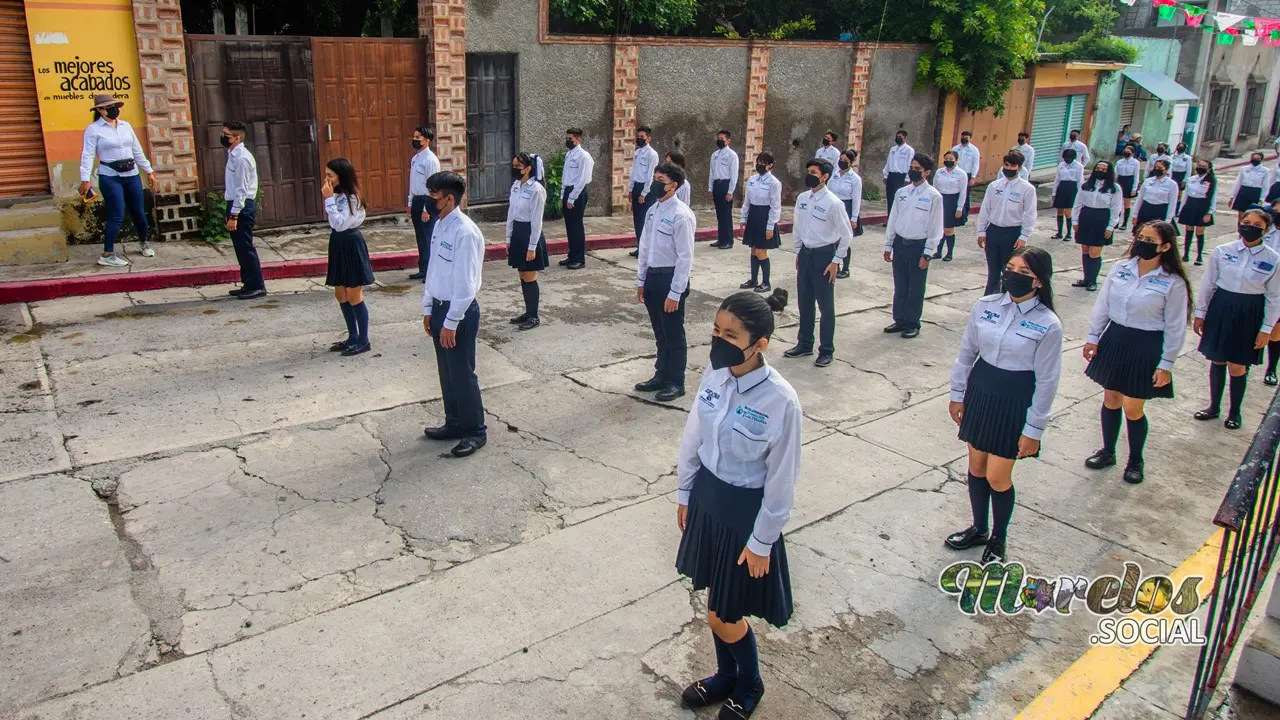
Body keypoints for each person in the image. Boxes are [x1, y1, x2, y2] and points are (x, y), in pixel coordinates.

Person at [675, 290, 795, 720]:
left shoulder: (781, 401)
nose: (718, 340)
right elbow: (695, 436)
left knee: (725, 613)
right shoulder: (716, 374)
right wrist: (685, 492)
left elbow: (782, 480)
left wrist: (763, 540)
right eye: (715, 331)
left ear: (759, 343)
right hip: (708, 499)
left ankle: (750, 683)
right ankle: (726, 676)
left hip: (745, 515)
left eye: (730, 334)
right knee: (714, 602)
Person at [946, 246, 1063, 563]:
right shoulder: (985, 306)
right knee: (976, 466)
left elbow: (1048, 380)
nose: (1013, 275)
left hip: (1015, 399)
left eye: (1024, 272)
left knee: (998, 476)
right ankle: (979, 528)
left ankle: (999, 539)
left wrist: (1034, 428)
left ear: (1039, 281)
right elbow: (967, 353)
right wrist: (957, 394)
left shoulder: (1048, 324)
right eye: (1011, 267)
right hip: (981, 391)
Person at [1082, 221, 1192, 484]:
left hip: (1146, 344)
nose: (1141, 242)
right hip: (1116, 338)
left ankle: (1135, 459)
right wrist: (1093, 337)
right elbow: (1103, 306)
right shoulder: (1121, 269)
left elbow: (1175, 326)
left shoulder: (1173, 283)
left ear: (1165, 247)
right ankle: (1108, 451)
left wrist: (1166, 363)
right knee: (1111, 398)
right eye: (1139, 237)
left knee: (1133, 406)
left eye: (1150, 240)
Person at [1193, 208, 1280, 430]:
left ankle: (1235, 411)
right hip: (1222, 307)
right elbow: (1208, 284)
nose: (1249, 227)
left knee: (1238, 365)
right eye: (1246, 222)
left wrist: (1266, 328)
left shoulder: (1273, 259)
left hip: (1250, 310)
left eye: (1257, 225)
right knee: (1217, 359)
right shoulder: (1223, 251)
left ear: (1266, 229)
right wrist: (1200, 313)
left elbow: (1274, 296)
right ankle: (1213, 407)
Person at [422, 171, 488, 457]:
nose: (429, 201)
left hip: (457, 312)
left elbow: (466, 285)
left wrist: (450, 321)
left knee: (463, 374)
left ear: (449, 199)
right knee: (446, 372)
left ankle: (475, 431)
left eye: (433, 196)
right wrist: (428, 308)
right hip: (439, 308)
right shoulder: (440, 225)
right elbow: (433, 271)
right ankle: (455, 422)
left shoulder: (465, 231)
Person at [635, 163, 697, 403]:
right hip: (652, 277)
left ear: (674, 186)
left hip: (671, 279)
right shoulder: (653, 210)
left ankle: (676, 381)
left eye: (661, 179)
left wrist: (675, 292)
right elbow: (645, 248)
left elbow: (685, 258)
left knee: (673, 333)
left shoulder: (681, 214)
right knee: (660, 332)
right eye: (655, 178)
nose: (655, 183)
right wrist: (641, 280)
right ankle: (660, 375)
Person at [784, 158, 853, 368]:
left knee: (825, 306)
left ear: (824, 176)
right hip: (806, 254)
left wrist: (835, 261)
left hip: (825, 256)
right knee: (804, 302)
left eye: (814, 172)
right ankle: (804, 343)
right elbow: (798, 226)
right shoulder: (803, 198)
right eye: (808, 171)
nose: (809, 175)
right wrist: (798, 251)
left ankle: (826, 350)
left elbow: (847, 235)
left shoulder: (833, 203)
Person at [79, 94, 156, 267]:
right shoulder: (93, 130)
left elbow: (136, 149)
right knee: (117, 214)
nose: (114, 110)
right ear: (100, 110)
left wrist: (149, 170)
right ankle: (107, 254)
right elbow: (88, 154)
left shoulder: (125, 126)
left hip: (132, 175)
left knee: (138, 212)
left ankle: (144, 242)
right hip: (110, 176)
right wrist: (85, 179)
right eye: (109, 107)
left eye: (114, 106)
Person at [884, 153, 944, 339]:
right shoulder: (901, 193)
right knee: (900, 286)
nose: (913, 171)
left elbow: (936, 227)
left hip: (919, 247)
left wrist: (928, 254)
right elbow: (893, 219)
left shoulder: (934, 196)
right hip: (900, 244)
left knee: (915, 288)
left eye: (917, 169)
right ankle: (899, 319)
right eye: (911, 168)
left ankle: (912, 323)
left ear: (926, 172)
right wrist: (889, 245)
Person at [322, 158, 375, 356]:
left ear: (341, 177)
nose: (327, 179)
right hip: (338, 243)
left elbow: (340, 223)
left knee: (354, 295)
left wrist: (328, 200)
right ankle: (352, 336)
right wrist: (330, 199)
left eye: (330, 175)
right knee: (340, 293)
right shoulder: (337, 195)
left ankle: (363, 340)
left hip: (351, 243)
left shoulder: (353, 199)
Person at [976, 150, 1038, 295]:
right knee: (993, 272)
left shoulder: (1027, 189)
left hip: (1012, 233)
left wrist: (1024, 237)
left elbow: (1030, 214)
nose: (1009, 169)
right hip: (993, 231)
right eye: (1006, 165)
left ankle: (1007, 300)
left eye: (1013, 166)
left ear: (1020, 168)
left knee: (1008, 271)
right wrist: (981, 232)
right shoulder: (994, 186)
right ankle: (989, 301)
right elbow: (986, 209)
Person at [218, 121, 265, 300]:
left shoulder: (243, 158)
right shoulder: (233, 154)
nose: (223, 137)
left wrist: (234, 214)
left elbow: (242, 190)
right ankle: (248, 283)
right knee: (240, 248)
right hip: (235, 204)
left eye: (226, 135)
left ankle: (257, 285)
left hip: (242, 207)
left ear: (237, 138)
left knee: (246, 247)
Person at [506, 152, 549, 331]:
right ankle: (528, 311)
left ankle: (534, 316)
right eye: (514, 165)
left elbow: (537, 221)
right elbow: (510, 213)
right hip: (518, 232)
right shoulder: (516, 186)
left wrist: (532, 247)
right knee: (523, 274)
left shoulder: (537, 190)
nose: (515, 169)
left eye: (518, 166)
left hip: (530, 234)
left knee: (530, 276)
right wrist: (508, 237)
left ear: (528, 168)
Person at [1070, 160, 1124, 291]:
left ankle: (1093, 281)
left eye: (1103, 170)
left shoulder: (1114, 188)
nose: (1100, 171)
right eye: (1098, 168)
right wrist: (1075, 221)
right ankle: (1086, 278)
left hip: (1101, 219)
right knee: (1085, 250)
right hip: (1086, 216)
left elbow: (1116, 208)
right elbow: (1077, 204)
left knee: (1095, 252)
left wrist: (1111, 226)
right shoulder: (1086, 185)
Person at [738, 152, 783, 293]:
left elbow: (775, 206)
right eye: (758, 162)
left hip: (765, 216)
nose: (759, 165)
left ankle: (766, 282)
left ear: (770, 165)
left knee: (761, 251)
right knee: (753, 249)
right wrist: (743, 219)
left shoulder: (774, 183)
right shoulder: (752, 179)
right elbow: (747, 201)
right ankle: (753, 279)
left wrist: (770, 226)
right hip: (753, 215)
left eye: (763, 163)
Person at [407, 126, 441, 281]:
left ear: (427, 141)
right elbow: (412, 182)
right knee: (420, 237)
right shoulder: (415, 159)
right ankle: (423, 269)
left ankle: (431, 272)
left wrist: (427, 209)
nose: (415, 140)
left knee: (428, 238)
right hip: (416, 200)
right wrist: (410, 201)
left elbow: (433, 186)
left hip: (426, 201)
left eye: (418, 138)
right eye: (414, 137)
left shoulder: (431, 160)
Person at [559, 127, 594, 269]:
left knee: (576, 226)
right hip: (568, 190)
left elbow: (583, 179)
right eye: (567, 139)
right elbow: (565, 176)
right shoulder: (569, 154)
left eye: (570, 139)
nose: (568, 141)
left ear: (578, 139)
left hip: (577, 193)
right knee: (569, 226)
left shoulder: (583, 156)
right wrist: (563, 195)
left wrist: (572, 198)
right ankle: (572, 255)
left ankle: (579, 259)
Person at [828, 148, 863, 278]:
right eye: (840, 160)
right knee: (832, 238)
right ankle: (833, 264)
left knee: (843, 239)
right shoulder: (834, 174)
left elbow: (856, 200)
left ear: (851, 162)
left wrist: (854, 218)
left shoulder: (855, 179)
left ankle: (845, 268)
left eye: (845, 161)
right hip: (833, 207)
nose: (841, 163)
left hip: (846, 208)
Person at [628, 125, 660, 258]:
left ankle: (646, 249)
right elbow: (633, 172)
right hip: (636, 186)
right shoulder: (637, 153)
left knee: (645, 219)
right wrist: (631, 189)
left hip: (646, 189)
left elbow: (650, 175)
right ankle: (639, 246)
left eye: (642, 137)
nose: (639, 139)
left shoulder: (652, 154)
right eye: (638, 136)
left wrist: (644, 193)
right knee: (637, 219)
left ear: (648, 138)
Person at [1177, 160, 1216, 266]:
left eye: (1204, 166)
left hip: (1202, 206)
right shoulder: (1192, 179)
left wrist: (1209, 212)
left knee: (1199, 232)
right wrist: (1181, 209)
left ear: (1209, 168)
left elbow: (1212, 197)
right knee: (1188, 230)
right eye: (1199, 165)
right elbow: (1186, 195)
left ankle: (1199, 256)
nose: (1201, 167)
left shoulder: (1211, 180)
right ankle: (1186, 254)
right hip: (1190, 205)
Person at [932, 150, 968, 261]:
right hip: (940, 199)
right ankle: (938, 252)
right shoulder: (939, 172)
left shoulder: (961, 174)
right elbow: (934, 188)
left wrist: (959, 208)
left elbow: (963, 192)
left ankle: (949, 253)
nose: (948, 161)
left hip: (952, 201)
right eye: (946, 159)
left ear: (956, 160)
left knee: (948, 229)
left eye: (951, 159)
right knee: (940, 228)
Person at [709, 130, 740, 249]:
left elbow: (734, 175)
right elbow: (711, 173)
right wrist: (710, 189)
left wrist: (730, 191)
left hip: (726, 185)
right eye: (718, 138)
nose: (719, 141)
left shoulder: (732, 155)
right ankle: (721, 239)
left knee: (726, 214)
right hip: (717, 184)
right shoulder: (714, 155)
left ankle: (728, 241)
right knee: (719, 214)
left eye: (722, 139)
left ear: (728, 141)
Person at [1131, 160, 1178, 231]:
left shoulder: (1172, 184)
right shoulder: (1148, 181)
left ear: (1166, 170)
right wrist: (1135, 215)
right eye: (1155, 167)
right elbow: (1140, 199)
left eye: (1160, 167)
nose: (1157, 169)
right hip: (1146, 209)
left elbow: (1172, 203)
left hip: (1160, 211)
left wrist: (1168, 219)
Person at [1050, 148, 1084, 240]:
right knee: (1059, 211)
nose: (1066, 160)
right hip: (1062, 187)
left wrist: (1081, 194)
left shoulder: (1079, 166)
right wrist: (1054, 193)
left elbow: (1080, 181)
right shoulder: (1061, 165)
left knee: (1067, 212)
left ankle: (1069, 233)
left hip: (1071, 187)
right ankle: (1059, 232)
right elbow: (1057, 179)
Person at [1230, 153, 1272, 221]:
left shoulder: (1265, 171)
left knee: (1252, 214)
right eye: (1253, 158)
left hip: (1255, 193)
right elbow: (1238, 183)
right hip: (1244, 191)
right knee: (1241, 215)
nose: (1255, 160)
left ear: (1261, 160)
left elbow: (1265, 186)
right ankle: (1240, 229)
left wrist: (1262, 199)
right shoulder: (1244, 169)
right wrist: (1232, 196)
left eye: (1257, 159)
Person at [883, 129, 915, 215]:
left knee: (900, 198)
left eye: (900, 137)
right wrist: (885, 176)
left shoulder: (909, 150)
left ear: (905, 138)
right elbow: (888, 162)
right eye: (897, 137)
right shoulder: (893, 149)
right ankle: (890, 219)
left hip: (901, 177)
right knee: (890, 198)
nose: (898, 138)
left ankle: (898, 217)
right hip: (891, 176)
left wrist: (907, 178)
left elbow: (909, 164)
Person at [951, 130, 981, 217]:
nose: (964, 138)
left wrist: (973, 177)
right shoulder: (955, 148)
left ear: (970, 138)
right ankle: (955, 211)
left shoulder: (974, 150)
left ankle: (965, 213)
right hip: (955, 173)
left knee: (965, 194)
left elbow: (975, 164)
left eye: (967, 137)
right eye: (963, 136)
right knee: (955, 192)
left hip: (967, 174)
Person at [1115, 147, 1141, 227]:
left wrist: (1134, 188)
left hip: (1129, 181)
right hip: (1120, 180)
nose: (1126, 152)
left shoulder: (1135, 163)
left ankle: (1124, 223)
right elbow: (1116, 173)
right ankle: (1116, 222)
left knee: (1126, 204)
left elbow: (1136, 176)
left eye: (1128, 151)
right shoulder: (1119, 162)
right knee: (1118, 202)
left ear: (1132, 153)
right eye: (1125, 151)